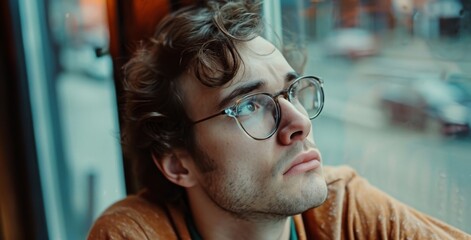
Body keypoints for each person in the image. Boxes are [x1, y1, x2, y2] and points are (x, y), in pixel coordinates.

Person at [87, 1, 469, 239]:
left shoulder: (343, 210)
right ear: (178, 163)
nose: (299, 122)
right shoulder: (136, 232)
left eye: (291, 93)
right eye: (249, 105)